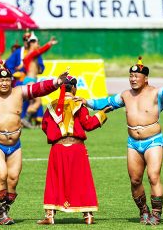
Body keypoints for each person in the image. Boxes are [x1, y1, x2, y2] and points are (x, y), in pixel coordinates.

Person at [76, 57, 163, 225]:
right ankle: (144, 211)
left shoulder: (156, 93)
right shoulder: (125, 95)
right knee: (135, 180)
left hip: (153, 141)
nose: (132, 79)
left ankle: (156, 214)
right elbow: (107, 102)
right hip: (133, 142)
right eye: (130, 76)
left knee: (153, 176)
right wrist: (86, 101)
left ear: (145, 78)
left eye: (136, 76)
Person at [0, 61, 68, 225]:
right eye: (1, 80)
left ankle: (1, 212)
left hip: (15, 144)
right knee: (1, 175)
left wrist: (56, 82)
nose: (5, 83)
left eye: (7, 80)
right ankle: (1, 215)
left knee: (13, 180)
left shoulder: (18, 92)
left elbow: (38, 88)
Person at [37, 75, 111, 225]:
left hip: (58, 148)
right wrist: (102, 114)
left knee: (54, 181)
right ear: (74, 88)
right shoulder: (79, 105)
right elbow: (88, 124)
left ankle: (50, 215)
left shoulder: (51, 105)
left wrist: (56, 134)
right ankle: (88, 215)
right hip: (77, 148)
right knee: (82, 180)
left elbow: (45, 126)